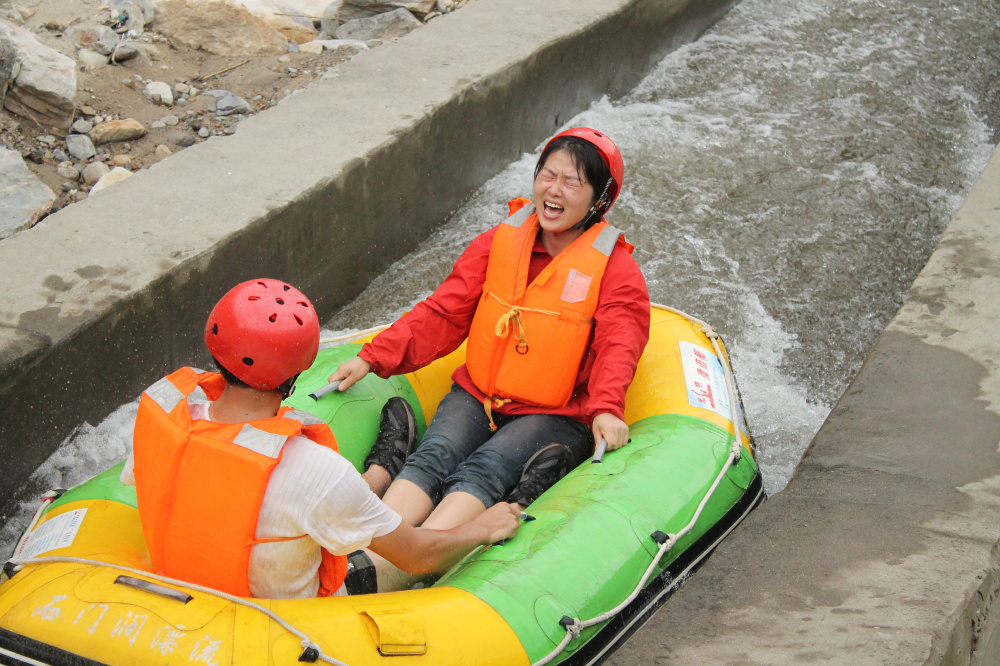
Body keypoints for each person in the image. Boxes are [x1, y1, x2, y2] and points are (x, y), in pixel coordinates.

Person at [330, 128, 650, 587]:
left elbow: (620, 343)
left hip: (552, 410)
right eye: (547, 175)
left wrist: (606, 408)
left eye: (572, 182)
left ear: (599, 199)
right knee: (433, 456)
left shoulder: (615, 270)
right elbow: (444, 312)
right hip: (479, 392)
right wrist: (374, 357)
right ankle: (358, 553)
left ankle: (396, 570)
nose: (553, 191)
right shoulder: (499, 241)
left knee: (483, 468)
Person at [121, 278, 521, 600]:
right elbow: (418, 556)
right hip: (290, 626)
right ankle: (381, 478)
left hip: (189, 595)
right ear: (298, 374)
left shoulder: (162, 406)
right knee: (381, 561)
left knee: (325, 510)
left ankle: (379, 477)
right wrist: (484, 527)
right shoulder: (312, 468)